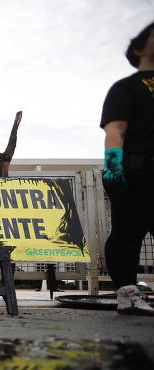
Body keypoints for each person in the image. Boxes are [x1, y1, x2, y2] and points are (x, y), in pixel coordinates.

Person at [100, 21, 154, 315]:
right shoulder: (126, 88)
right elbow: (116, 129)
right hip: (138, 171)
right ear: (138, 48)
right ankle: (128, 295)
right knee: (126, 233)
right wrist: (114, 167)